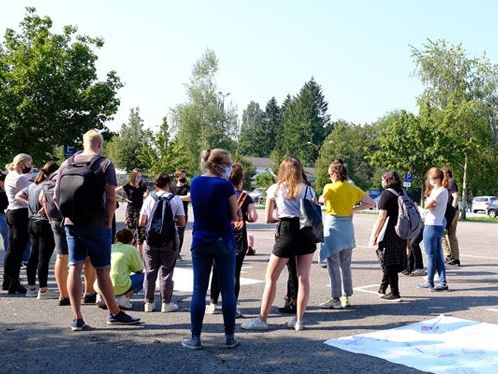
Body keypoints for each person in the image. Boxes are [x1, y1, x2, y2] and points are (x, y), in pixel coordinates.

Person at [56, 129, 140, 331]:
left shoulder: (66, 164)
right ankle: (114, 313)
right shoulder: (104, 164)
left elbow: (55, 194)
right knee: (102, 269)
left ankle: (77, 318)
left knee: (74, 267)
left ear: (83, 143)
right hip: (96, 223)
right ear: (100, 145)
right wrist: (109, 222)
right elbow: (111, 198)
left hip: (71, 222)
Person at [241, 157, 317, 332]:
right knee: (303, 278)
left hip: (286, 230)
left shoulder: (275, 189)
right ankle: (298, 320)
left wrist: (283, 214)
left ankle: (263, 318)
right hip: (305, 232)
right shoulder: (308, 190)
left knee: (271, 278)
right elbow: (312, 214)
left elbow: (268, 218)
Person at [183, 149, 242, 350]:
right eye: (227, 163)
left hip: (200, 240)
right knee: (227, 290)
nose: (229, 166)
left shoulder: (195, 182)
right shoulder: (225, 185)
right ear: (217, 164)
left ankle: (195, 337)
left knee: (199, 289)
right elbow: (236, 215)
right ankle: (229, 337)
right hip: (223, 239)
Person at [320, 161, 375, 309]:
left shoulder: (329, 187)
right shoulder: (352, 188)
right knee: (346, 264)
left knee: (333, 264)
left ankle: (335, 298)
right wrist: (353, 209)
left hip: (333, 225)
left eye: (330, 174)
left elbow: (321, 201)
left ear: (336, 174)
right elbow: (371, 203)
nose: (329, 177)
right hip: (347, 226)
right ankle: (346, 296)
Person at [206, 163, 258, 318]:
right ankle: (232, 306)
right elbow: (254, 217)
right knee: (235, 273)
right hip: (239, 238)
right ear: (241, 180)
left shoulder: (220, 194)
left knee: (216, 270)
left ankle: (213, 303)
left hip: (221, 236)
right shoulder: (245, 197)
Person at [139, 173, 185, 313]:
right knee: (166, 272)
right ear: (168, 184)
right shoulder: (175, 199)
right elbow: (182, 222)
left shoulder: (149, 199)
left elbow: (141, 222)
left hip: (151, 241)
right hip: (169, 241)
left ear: (155, 184)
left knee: (150, 271)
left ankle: (149, 303)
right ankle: (166, 303)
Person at [15, 161, 59, 299]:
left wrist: (29, 205)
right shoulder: (48, 186)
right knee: (44, 258)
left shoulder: (32, 185)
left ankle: (31, 287)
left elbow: (18, 196)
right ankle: (44, 290)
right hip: (45, 223)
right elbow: (48, 203)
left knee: (33, 256)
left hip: (31, 222)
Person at [369, 170, 407, 302]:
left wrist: (374, 235)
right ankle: (382, 288)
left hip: (389, 231)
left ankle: (395, 293)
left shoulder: (386, 194)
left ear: (390, 180)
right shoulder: (402, 192)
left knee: (388, 263)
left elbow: (381, 217)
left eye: (383, 179)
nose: (382, 182)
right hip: (402, 230)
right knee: (389, 261)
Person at [39, 169, 72, 306]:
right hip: (72, 219)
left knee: (61, 256)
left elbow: (42, 200)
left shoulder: (48, 183)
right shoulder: (70, 177)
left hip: (55, 220)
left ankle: (63, 295)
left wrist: (49, 218)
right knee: (80, 258)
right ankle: (88, 292)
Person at [2, 153, 32, 294]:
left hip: (11, 212)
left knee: (11, 249)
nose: (30, 166)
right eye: (29, 163)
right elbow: (29, 196)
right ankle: (14, 282)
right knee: (18, 251)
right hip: (20, 214)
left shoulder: (10, 175)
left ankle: (7, 281)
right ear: (22, 163)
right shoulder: (21, 178)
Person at [95, 229, 144, 310]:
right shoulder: (131, 249)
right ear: (132, 240)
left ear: (116, 239)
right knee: (144, 277)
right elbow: (139, 270)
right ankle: (122, 298)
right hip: (118, 286)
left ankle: (101, 296)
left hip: (99, 285)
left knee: (105, 273)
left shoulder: (110, 247)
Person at [417, 167, 449, 291]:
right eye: (430, 179)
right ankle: (442, 282)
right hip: (439, 225)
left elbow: (426, 205)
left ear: (438, 179)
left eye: (433, 178)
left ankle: (429, 281)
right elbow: (430, 205)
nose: (431, 181)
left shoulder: (438, 191)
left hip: (431, 225)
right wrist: (430, 204)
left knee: (431, 256)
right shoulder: (444, 191)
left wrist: (428, 204)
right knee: (437, 256)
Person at [116, 168, 148, 252]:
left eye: (140, 176)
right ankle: (129, 252)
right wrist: (123, 198)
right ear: (133, 176)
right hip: (131, 212)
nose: (139, 178)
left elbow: (147, 193)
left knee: (141, 234)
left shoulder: (143, 186)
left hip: (141, 211)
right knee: (130, 233)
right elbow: (113, 192)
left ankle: (139, 256)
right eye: (137, 176)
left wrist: (144, 196)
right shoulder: (127, 186)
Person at [441, 168, 460, 266]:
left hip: (451, 212)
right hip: (453, 212)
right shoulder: (447, 183)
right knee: (452, 235)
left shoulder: (451, 182)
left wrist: (451, 210)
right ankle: (456, 258)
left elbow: (456, 196)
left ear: (447, 174)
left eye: (442, 174)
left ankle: (448, 255)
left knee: (441, 233)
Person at [171, 169, 190, 259]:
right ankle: (171, 251)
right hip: (172, 213)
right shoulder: (172, 188)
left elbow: (189, 197)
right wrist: (181, 198)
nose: (184, 177)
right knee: (171, 233)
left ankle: (177, 252)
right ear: (177, 177)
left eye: (184, 175)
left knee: (180, 234)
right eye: (182, 175)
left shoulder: (188, 187)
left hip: (183, 214)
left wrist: (176, 197)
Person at [0, 173, 9, 252]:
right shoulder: (2, 192)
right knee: (7, 234)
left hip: (1, 214)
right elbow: (5, 205)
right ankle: (8, 254)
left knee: (7, 234)